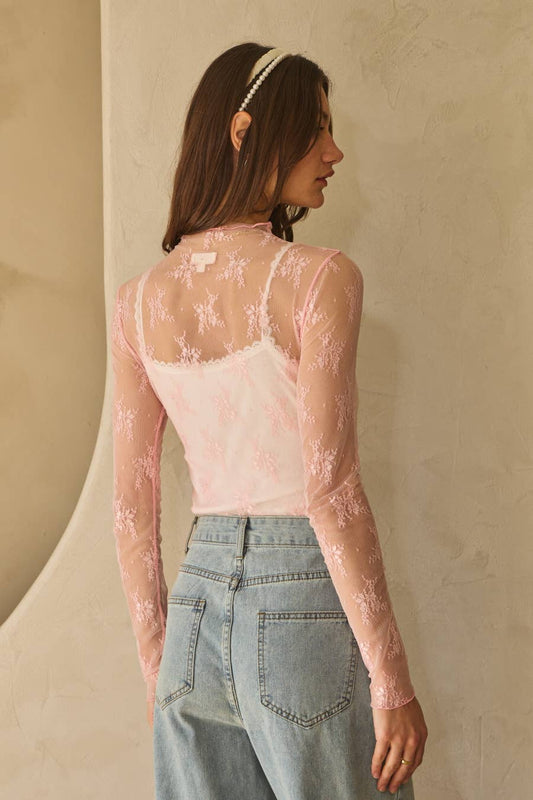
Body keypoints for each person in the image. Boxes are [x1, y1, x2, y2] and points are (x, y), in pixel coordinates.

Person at [111, 42, 428, 799]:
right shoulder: (318, 279)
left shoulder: (137, 302)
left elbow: (130, 506)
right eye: (316, 127)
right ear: (244, 130)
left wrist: (159, 666)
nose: (333, 151)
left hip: (193, 609)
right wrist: (391, 681)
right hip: (301, 602)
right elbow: (330, 491)